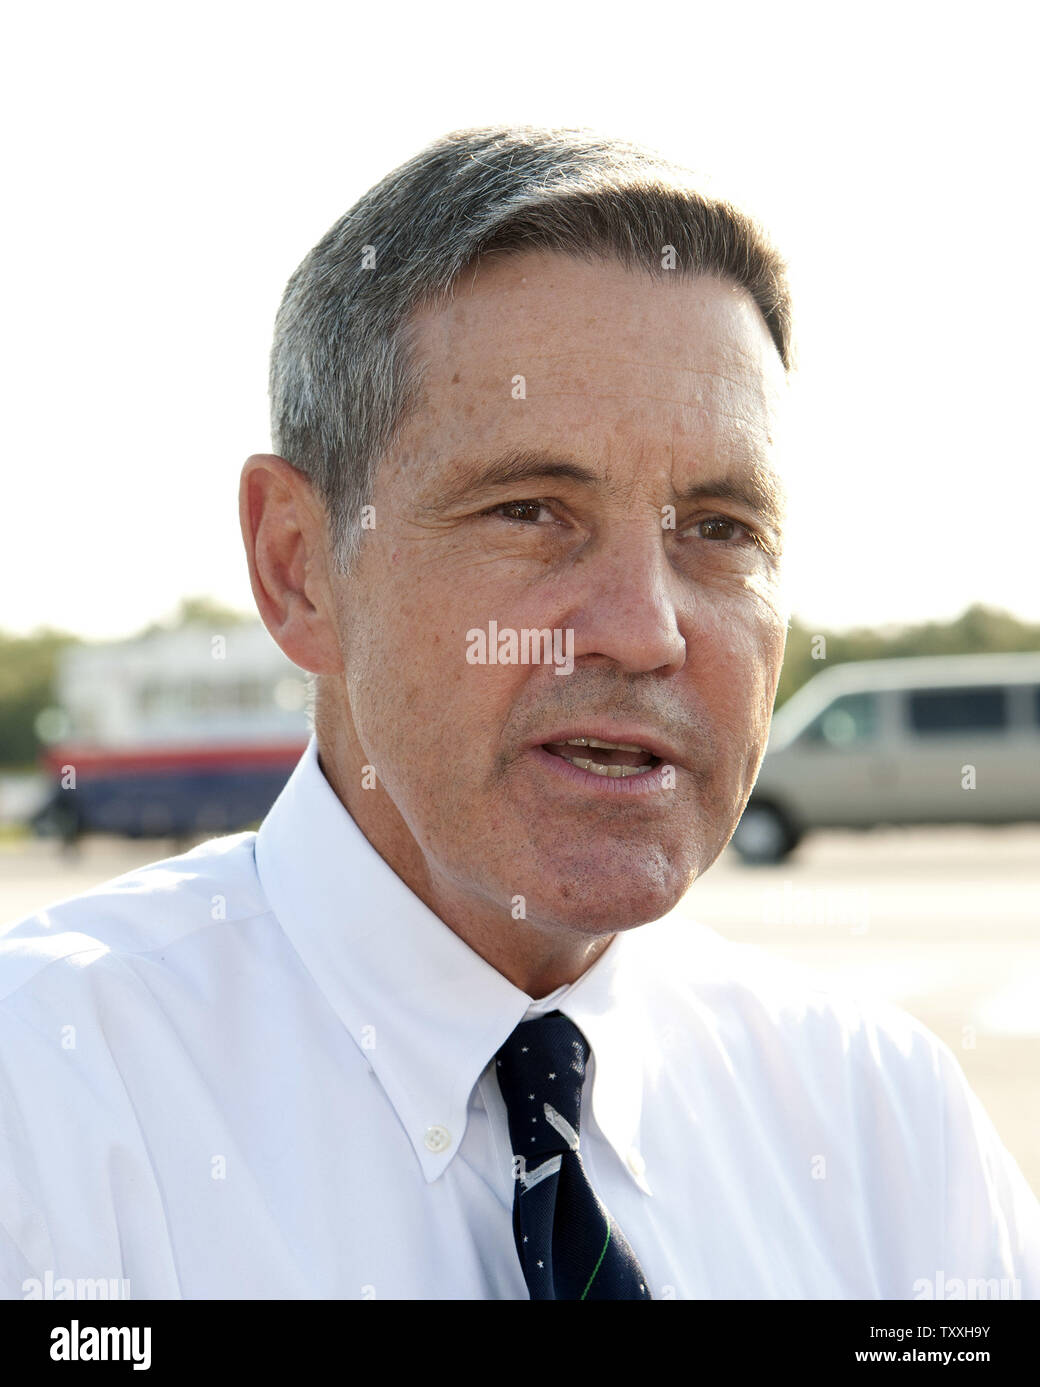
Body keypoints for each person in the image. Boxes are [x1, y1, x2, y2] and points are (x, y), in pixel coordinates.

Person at [2, 126, 1038, 1301]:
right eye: (529, 510)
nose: (644, 630)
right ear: (298, 568)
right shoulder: (46, 1107)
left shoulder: (882, 1130)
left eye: (718, 528)